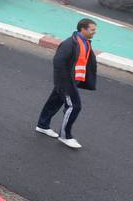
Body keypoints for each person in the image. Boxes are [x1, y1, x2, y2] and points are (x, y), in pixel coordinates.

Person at [35, 18, 97, 149]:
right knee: (74, 106)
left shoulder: (85, 42)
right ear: (83, 29)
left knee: (54, 102)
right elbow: (58, 63)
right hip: (66, 82)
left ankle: (42, 125)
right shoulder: (70, 44)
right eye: (92, 30)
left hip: (72, 81)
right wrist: (64, 84)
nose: (94, 32)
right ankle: (65, 136)